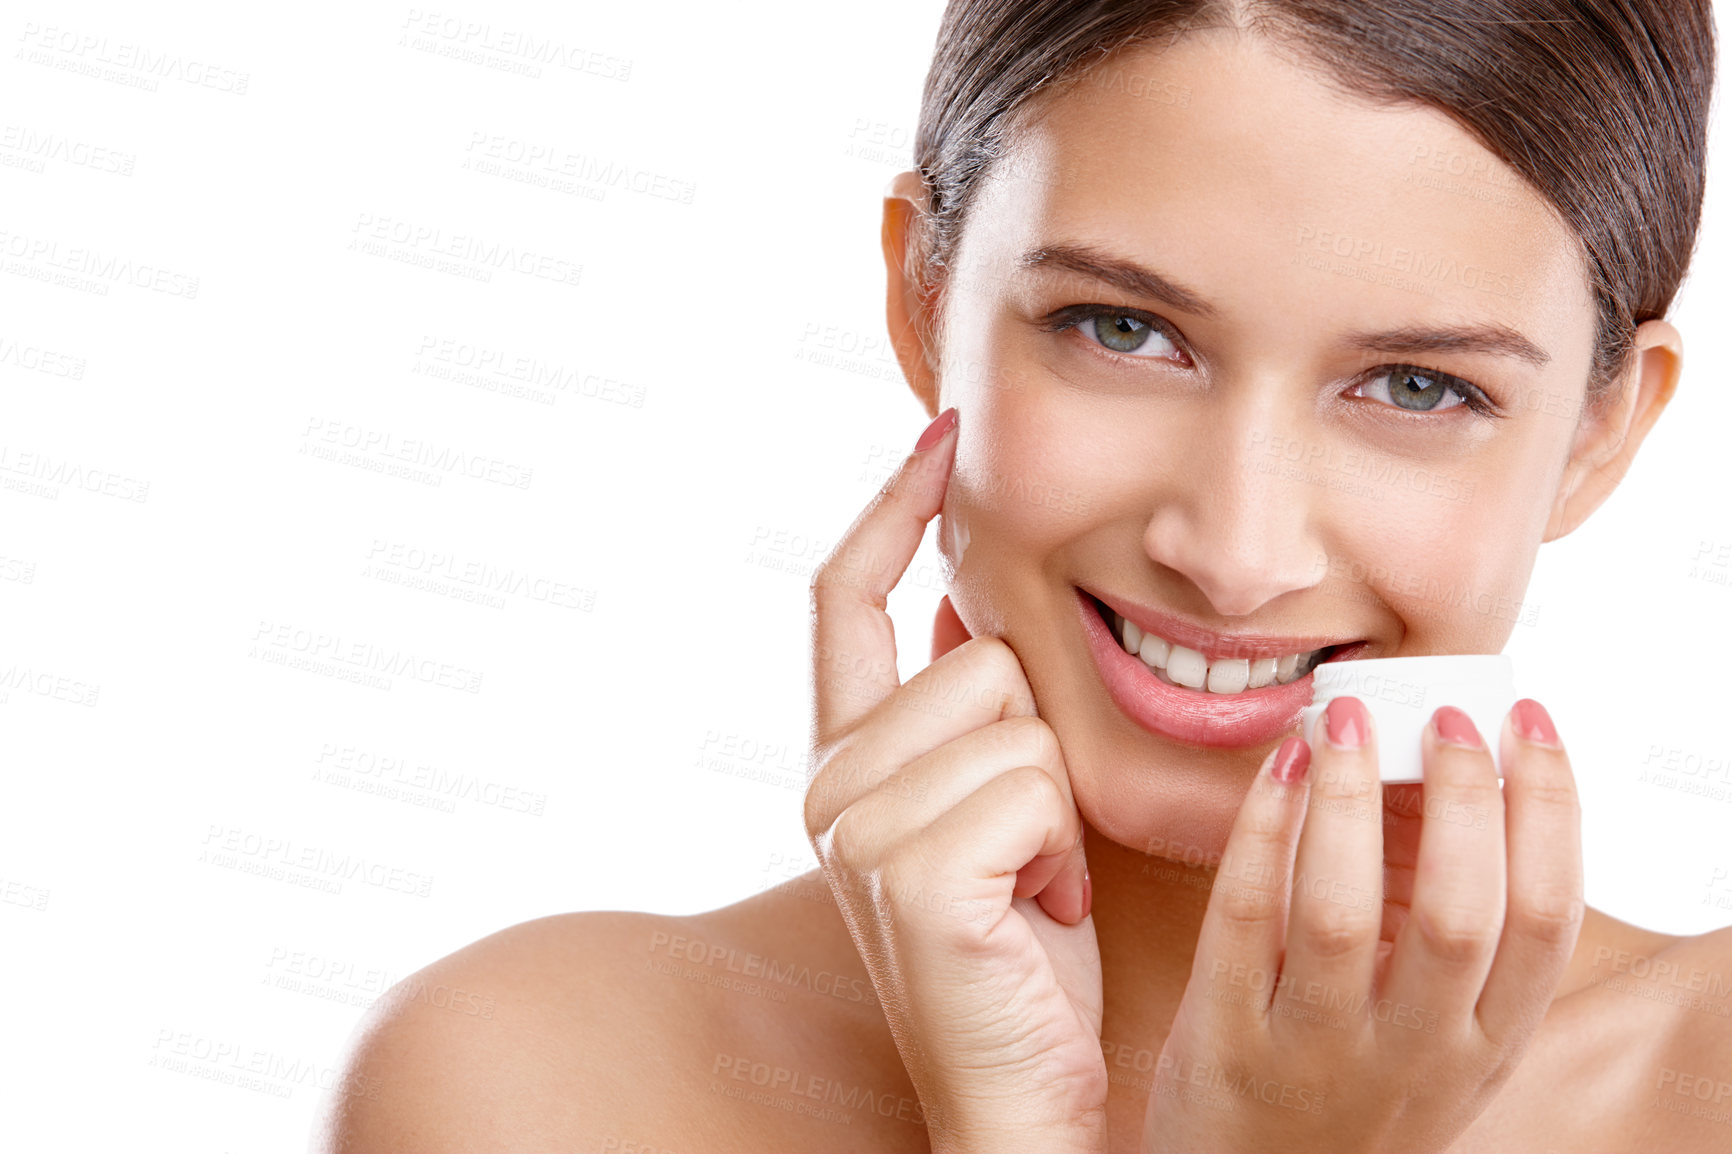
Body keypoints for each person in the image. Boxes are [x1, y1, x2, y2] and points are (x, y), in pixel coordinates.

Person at [312, 2, 1728, 1150]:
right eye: (1122, 327)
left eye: (1416, 386)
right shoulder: (534, 1089)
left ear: (1603, 430)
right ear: (922, 297)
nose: (1236, 555)